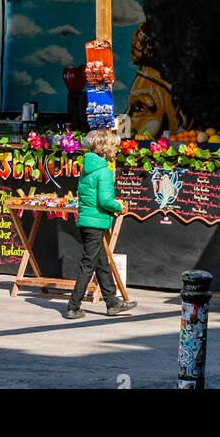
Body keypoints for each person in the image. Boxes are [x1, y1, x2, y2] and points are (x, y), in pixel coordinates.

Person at [66, 129, 137, 320]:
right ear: (105, 149)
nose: (116, 151)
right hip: (97, 222)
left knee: (101, 262)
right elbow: (105, 201)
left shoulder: (88, 168)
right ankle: (73, 306)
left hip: (86, 220)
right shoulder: (104, 172)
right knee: (88, 264)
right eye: (114, 147)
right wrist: (119, 206)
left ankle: (112, 303)